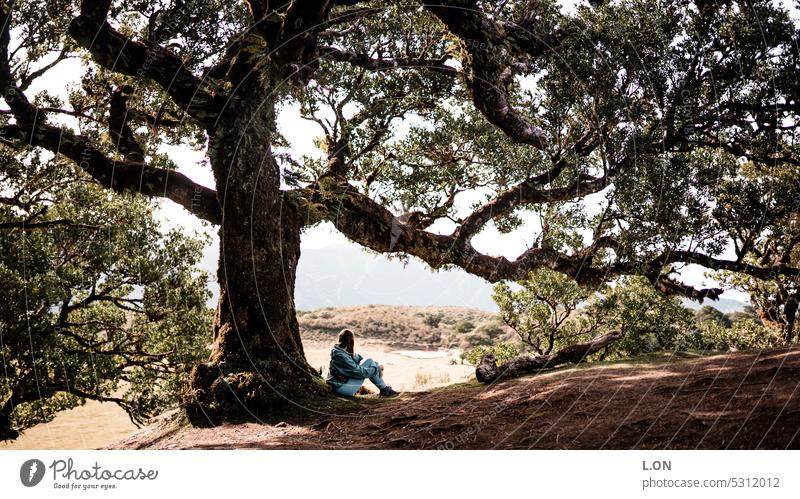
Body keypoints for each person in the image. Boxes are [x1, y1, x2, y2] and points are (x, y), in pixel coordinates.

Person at [326, 329, 400, 398]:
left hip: (341, 385)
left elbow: (361, 359)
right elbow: (360, 373)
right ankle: (385, 390)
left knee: (370, 361)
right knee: (370, 363)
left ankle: (384, 389)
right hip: (340, 388)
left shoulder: (341, 351)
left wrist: (377, 365)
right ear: (351, 341)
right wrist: (377, 369)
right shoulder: (341, 356)